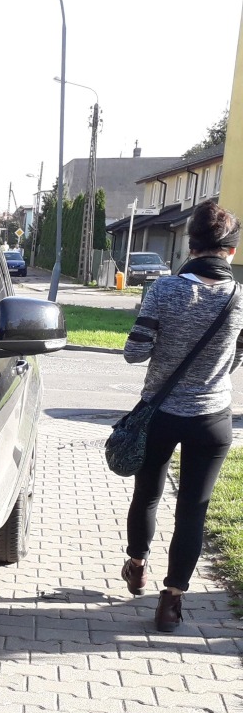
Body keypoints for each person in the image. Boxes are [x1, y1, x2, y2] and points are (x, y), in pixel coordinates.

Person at [120, 200, 242, 632]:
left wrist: (164, 355)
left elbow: (134, 353)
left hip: (161, 413)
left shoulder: (165, 290)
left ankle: (137, 563)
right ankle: (171, 602)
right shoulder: (240, 297)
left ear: (190, 245)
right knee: (193, 510)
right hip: (213, 419)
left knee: (148, 494)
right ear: (230, 250)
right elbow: (236, 357)